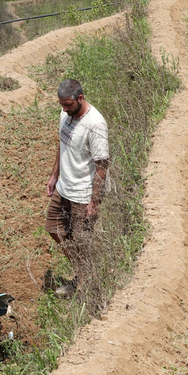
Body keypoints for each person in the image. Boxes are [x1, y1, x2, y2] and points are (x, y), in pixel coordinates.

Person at [45, 79, 110, 295]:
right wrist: (54, 175)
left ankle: (87, 285)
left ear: (80, 98)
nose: (64, 109)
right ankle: (82, 272)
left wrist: (95, 200)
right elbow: (62, 144)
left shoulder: (96, 124)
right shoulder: (66, 115)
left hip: (83, 193)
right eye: (62, 105)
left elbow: (102, 166)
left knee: (82, 240)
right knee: (54, 228)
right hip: (64, 187)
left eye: (68, 105)